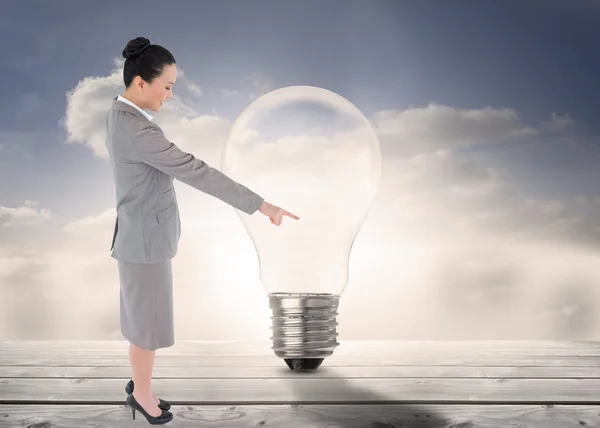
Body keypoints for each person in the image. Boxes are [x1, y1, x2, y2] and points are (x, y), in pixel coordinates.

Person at [105, 36, 299, 425]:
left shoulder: (120, 113)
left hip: (138, 236)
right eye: (167, 87)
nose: (171, 96)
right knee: (147, 326)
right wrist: (261, 204)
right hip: (145, 244)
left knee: (143, 317)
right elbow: (197, 171)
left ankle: (141, 385)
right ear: (141, 83)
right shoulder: (139, 132)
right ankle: (141, 396)